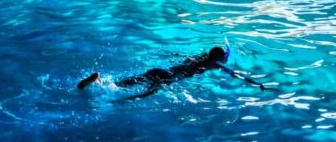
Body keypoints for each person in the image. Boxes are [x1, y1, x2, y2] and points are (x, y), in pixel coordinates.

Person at [77, 46, 271, 100]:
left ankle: (97, 81)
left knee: (126, 83)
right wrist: (258, 84)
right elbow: (238, 76)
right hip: (166, 78)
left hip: (160, 71)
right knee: (143, 94)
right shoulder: (211, 65)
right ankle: (116, 101)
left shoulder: (199, 59)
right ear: (217, 60)